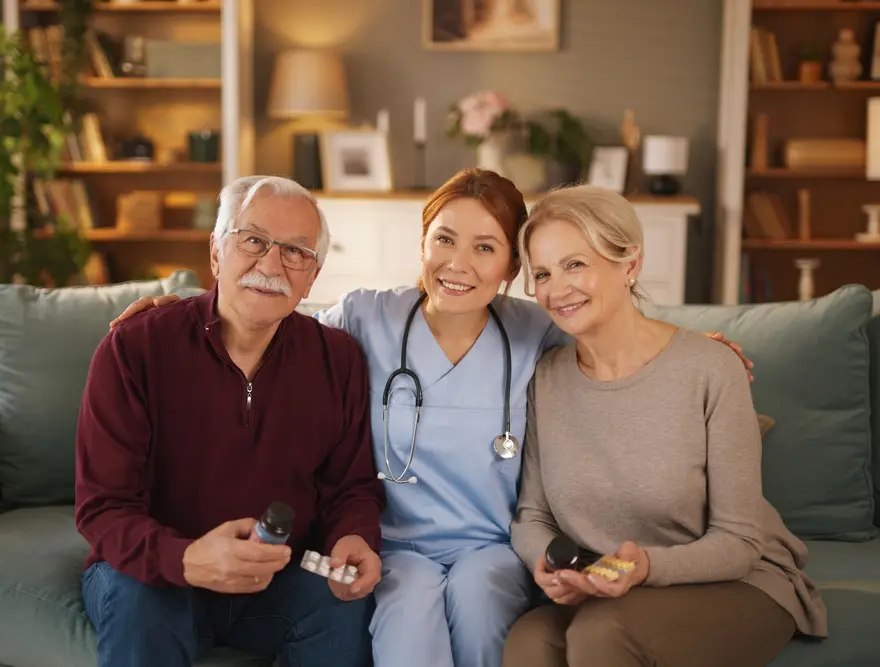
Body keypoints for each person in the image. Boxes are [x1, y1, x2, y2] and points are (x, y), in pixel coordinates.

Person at [112, 169, 753, 667]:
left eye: (485, 247)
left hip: (492, 546)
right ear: (421, 241)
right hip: (395, 545)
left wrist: (699, 344)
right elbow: (269, 304)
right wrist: (173, 304)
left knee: (478, 600)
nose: (458, 263)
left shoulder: (537, 329)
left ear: (510, 270)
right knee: (408, 606)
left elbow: (614, 334)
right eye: (443, 238)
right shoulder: (366, 315)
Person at [501, 184, 828, 667]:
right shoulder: (545, 380)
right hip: (606, 583)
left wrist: (646, 567)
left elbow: (739, 542)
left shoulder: (711, 368)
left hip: (738, 581)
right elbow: (533, 517)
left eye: (576, 264)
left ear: (629, 264)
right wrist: (548, 563)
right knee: (528, 644)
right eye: (543, 273)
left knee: (601, 635)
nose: (557, 288)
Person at [75, 174, 385, 667]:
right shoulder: (135, 347)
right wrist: (183, 559)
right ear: (217, 253)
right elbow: (103, 508)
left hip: (285, 568)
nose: (271, 264)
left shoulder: (338, 358)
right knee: (139, 599)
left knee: (344, 597)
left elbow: (351, 487)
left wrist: (353, 537)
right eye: (254, 241)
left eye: (295, 252)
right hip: (154, 569)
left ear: (313, 276)